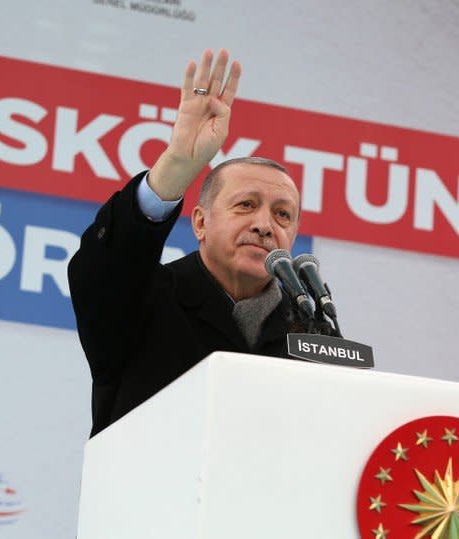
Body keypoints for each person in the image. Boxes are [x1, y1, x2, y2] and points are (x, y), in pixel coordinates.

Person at [68, 49, 303, 437]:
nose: (264, 225)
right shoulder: (143, 299)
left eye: (282, 215)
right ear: (200, 222)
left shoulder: (310, 324)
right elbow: (102, 269)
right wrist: (177, 164)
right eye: (246, 205)